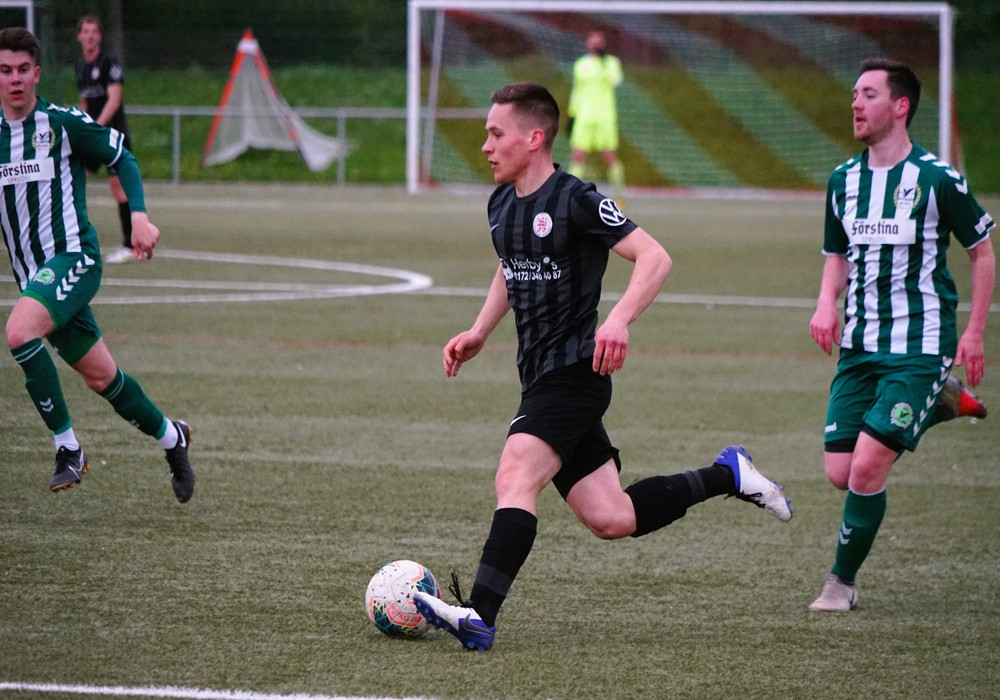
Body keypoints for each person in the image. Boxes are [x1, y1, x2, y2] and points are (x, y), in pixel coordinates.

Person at [412, 82, 792, 652]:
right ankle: (729, 474)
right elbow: (512, 266)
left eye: (495, 133)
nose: (485, 146)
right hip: (538, 375)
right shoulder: (500, 205)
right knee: (612, 517)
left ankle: (479, 616)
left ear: (533, 137)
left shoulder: (577, 200)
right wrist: (479, 331)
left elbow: (654, 257)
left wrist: (618, 320)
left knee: (515, 476)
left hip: (576, 374)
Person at [807, 58, 994, 612]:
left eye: (868, 94)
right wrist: (825, 304)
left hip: (920, 345)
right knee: (839, 472)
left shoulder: (937, 179)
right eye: (854, 94)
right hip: (860, 344)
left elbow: (982, 254)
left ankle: (840, 583)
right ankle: (940, 403)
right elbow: (837, 255)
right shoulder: (844, 181)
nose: (855, 104)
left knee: (867, 468)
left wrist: (975, 332)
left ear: (900, 105)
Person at [0, 27, 194, 502]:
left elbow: (122, 157)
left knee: (19, 332)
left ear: (37, 74)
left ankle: (68, 447)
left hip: (75, 259)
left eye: (23, 69)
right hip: (36, 279)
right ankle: (173, 437)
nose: (15, 79)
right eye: (5, 70)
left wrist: (139, 217)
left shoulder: (63, 123)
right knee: (102, 377)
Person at [75, 15, 134, 264]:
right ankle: (75, 240)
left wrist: (96, 127)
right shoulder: (80, 66)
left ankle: (130, 245)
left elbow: (114, 100)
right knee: (73, 176)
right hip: (93, 135)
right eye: (85, 31)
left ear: (99, 36)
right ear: (79, 36)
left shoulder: (109, 62)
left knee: (118, 187)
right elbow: (85, 102)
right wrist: (80, 126)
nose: (90, 36)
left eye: (94, 31)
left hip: (112, 135)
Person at [566, 30, 625, 200]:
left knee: (610, 156)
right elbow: (577, 90)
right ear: (587, 44)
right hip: (584, 117)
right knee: (578, 157)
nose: (595, 45)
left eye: (599, 42)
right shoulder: (580, 65)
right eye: (593, 41)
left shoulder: (611, 63)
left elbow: (616, 80)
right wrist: (572, 114)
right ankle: (570, 196)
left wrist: (603, 62)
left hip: (605, 118)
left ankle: (619, 197)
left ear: (603, 44)